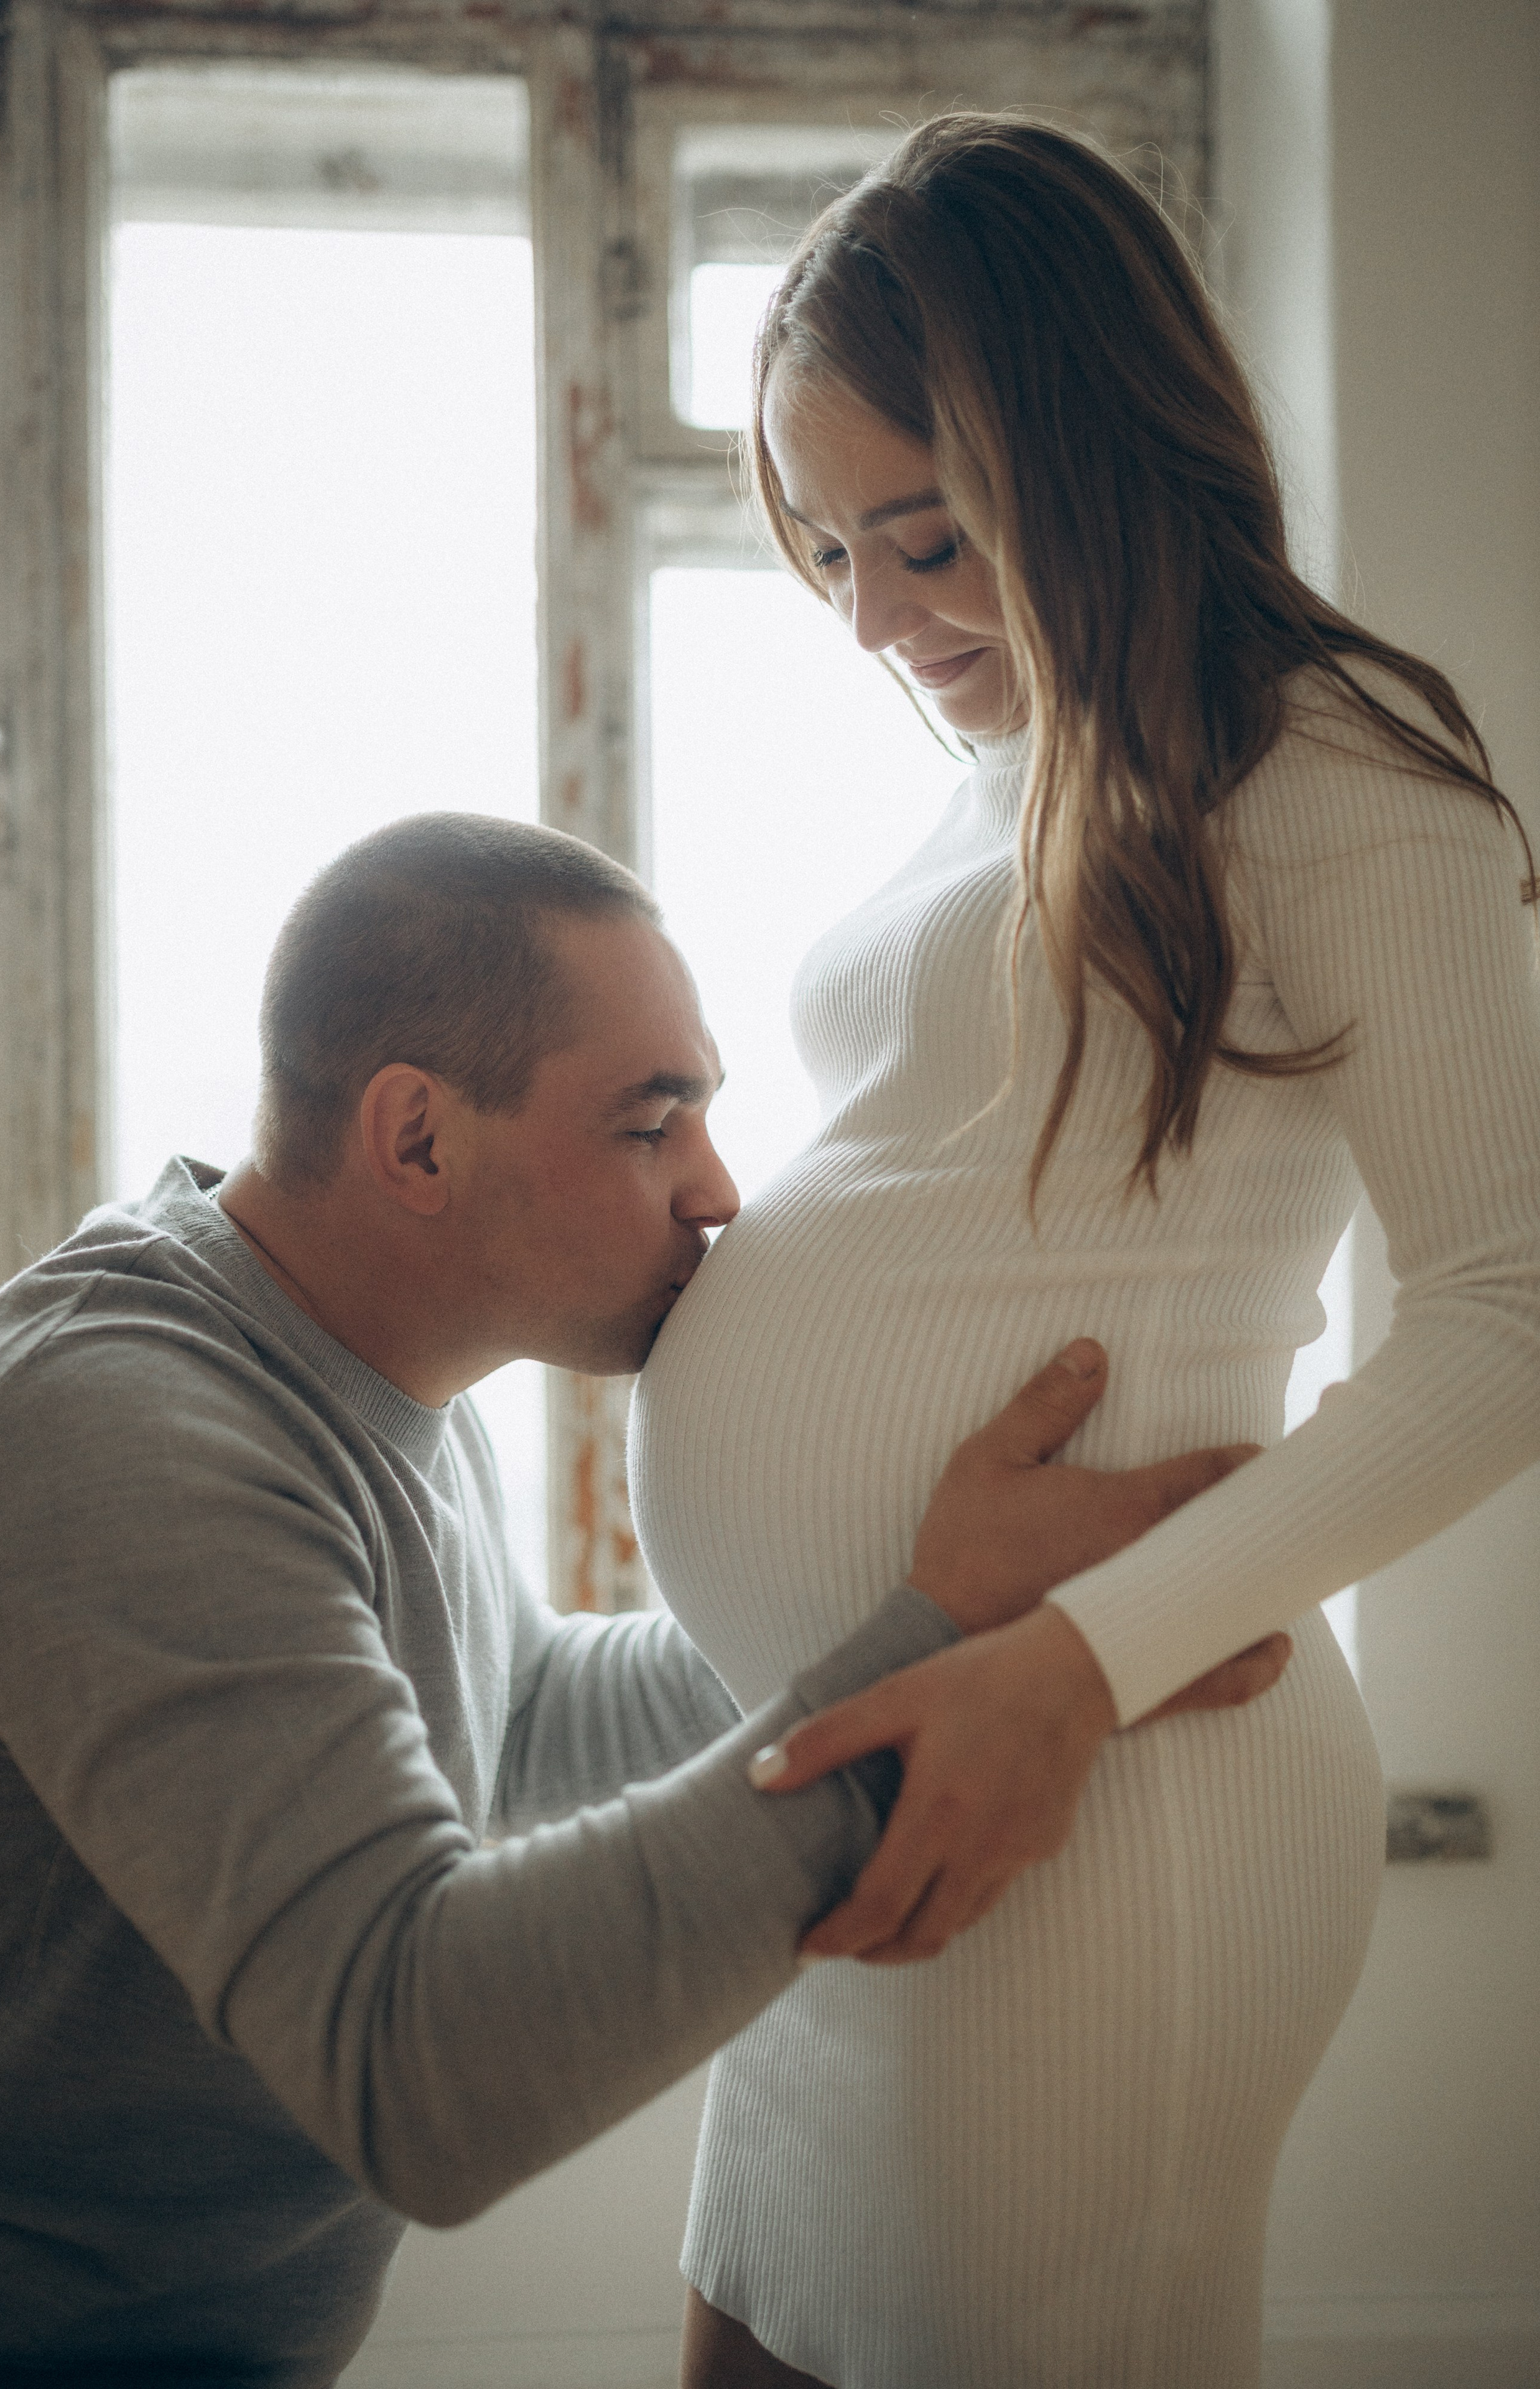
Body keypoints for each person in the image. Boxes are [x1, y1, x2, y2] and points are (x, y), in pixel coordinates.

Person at [0, 813, 1286, 2387]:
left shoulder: (356, 1383)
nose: (716, 1191)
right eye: (651, 1126)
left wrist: (939, 1600)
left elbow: (512, 1717)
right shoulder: (119, 1434)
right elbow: (412, 2065)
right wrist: (930, 1678)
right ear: (419, 1139)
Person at [626, 114, 1540, 2388]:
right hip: (879, 1745)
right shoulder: (1018, 766)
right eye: (824, 548)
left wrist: (1080, 1665)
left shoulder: (1330, 764)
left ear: (1088, 447)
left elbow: (1514, 1311)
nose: (868, 615)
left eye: (923, 536)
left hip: (1097, 1803)